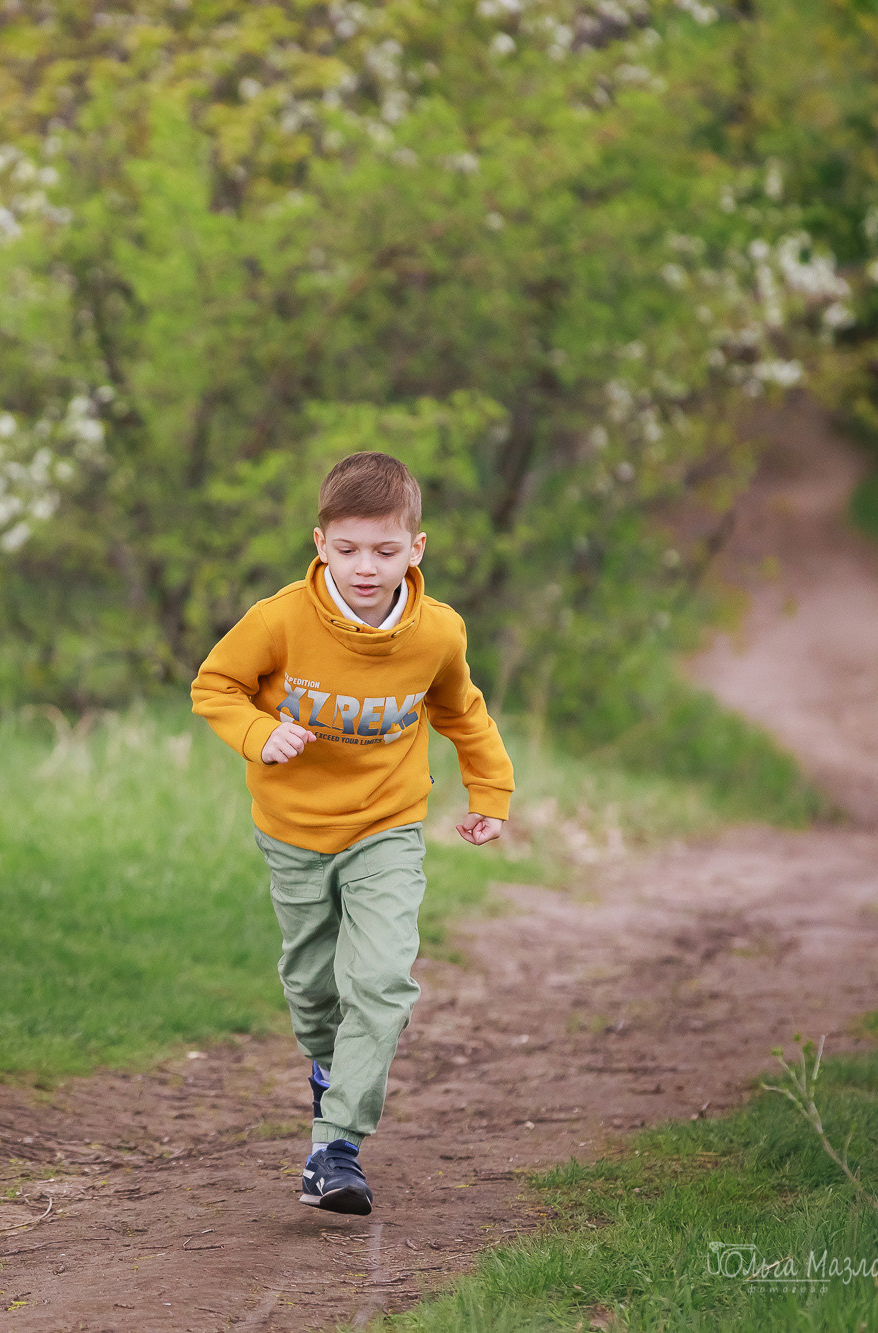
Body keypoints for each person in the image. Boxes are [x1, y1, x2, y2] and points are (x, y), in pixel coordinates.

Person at [189, 451, 515, 1216]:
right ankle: (328, 1068)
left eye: (385, 550)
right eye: (347, 549)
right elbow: (214, 684)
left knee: (382, 979)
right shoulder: (280, 620)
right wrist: (257, 733)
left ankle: (335, 1147)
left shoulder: (437, 632)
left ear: (416, 548)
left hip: (386, 827)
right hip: (294, 831)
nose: (365, 568)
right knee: (312, 988)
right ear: (320, 543)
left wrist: (490, 791)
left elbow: (463, 711)